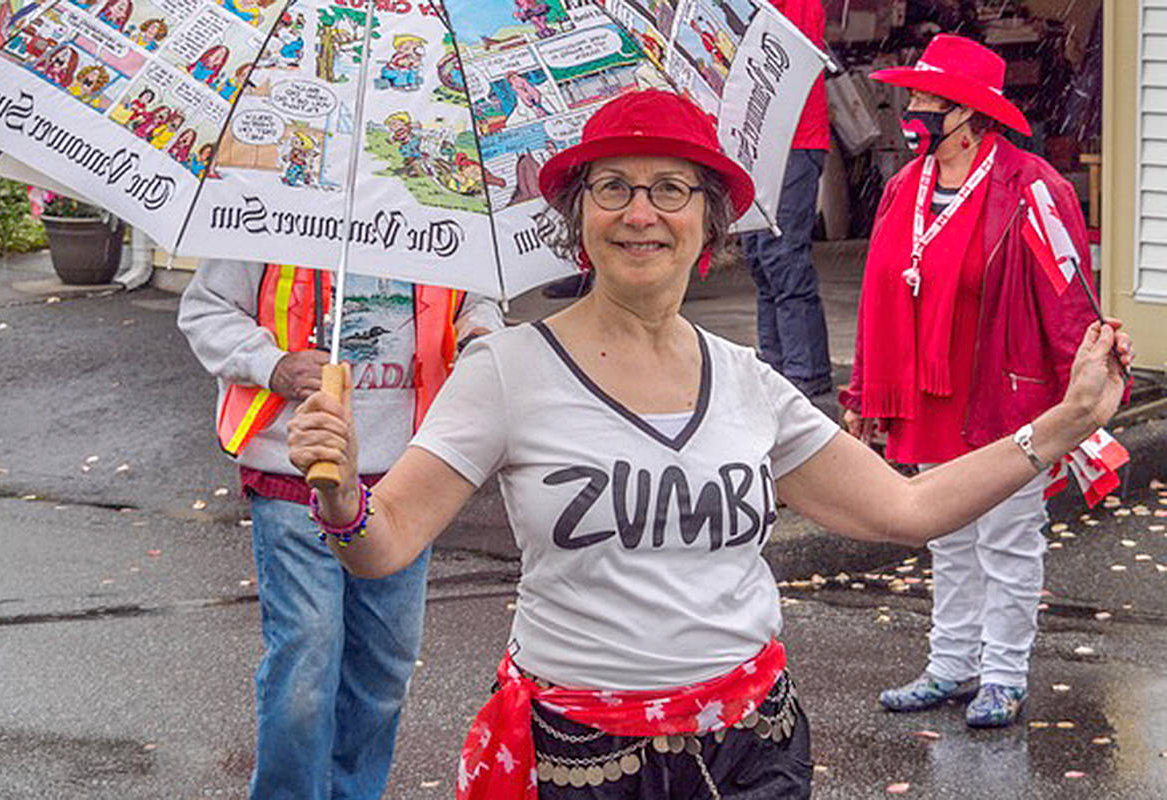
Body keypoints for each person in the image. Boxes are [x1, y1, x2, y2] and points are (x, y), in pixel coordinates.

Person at [286, 89, 1130, 798]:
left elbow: (907, 509)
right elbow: (382, 543)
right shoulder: (508, 370)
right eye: (612, 187)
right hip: (585, 758)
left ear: (709, 223)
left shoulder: (748, 379)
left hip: (754, 745)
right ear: (577, 217)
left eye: (671, 189)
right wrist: (339, 499)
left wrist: (1065, 423)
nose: (640, 212)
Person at [840, 35, 1101, 728]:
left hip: (1004, 389)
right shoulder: (905, 187)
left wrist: (1089, 388)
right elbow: (877, 294)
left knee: (1009, 538)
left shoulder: (1031, 187)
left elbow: (1067, 290)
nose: (912, 109)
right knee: (948, 534)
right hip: (925, 391)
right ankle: (952, 665)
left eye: (927, 99)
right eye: (914, 96)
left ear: (969, 113)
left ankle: (1004, 674)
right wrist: (866, 389)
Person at [177, 263, 502, 799]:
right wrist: (273, 366)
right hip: (295, 475)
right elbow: (205, 309)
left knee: (383, 670)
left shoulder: (436, 207)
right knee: (306, 664)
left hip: (404, 478)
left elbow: (477, 304)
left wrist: (481, 337)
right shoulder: (274, 206)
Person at [740, 0, 832, 398]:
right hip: (761, 143)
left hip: (793, 140)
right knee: (760, 257)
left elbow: (786, 60)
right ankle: (777, 365)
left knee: (781, 256)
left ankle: (804, 370)